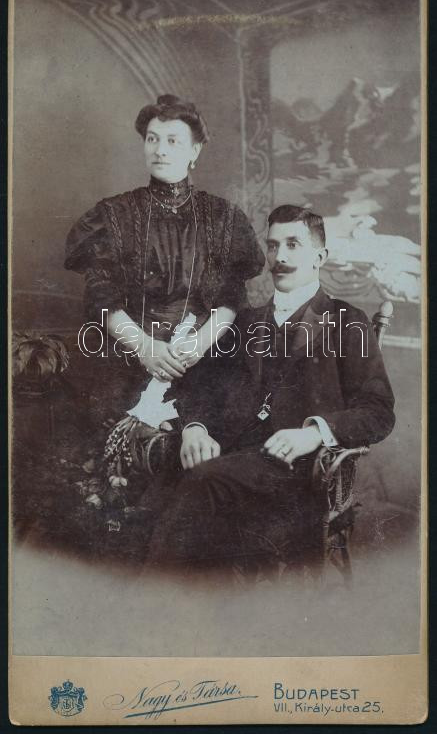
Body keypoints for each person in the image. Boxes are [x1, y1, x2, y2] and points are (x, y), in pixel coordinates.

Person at [144, 204, 396, 572]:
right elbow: (199, 386)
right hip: (231, 455)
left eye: (293, 244)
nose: (280, 257)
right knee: (158, 483)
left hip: (298, 472)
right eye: (274, 246)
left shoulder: (347, 321)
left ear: (320, 257)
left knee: (202, 484)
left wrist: (314, 433)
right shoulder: (246, 322)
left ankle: (154, 597)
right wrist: (194, 428)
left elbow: (378, 412)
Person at [64, 95, 265, 482]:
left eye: (173, 141)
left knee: (218, 455)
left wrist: (196, 347)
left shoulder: (223, 218)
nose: (160, 150)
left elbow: (231, 297)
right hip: (129, 360)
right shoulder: (114, 215)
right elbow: (101, 294)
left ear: (194, 151)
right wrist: (146, 348)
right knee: (119, 469)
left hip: (204, 361)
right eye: (152, 139)